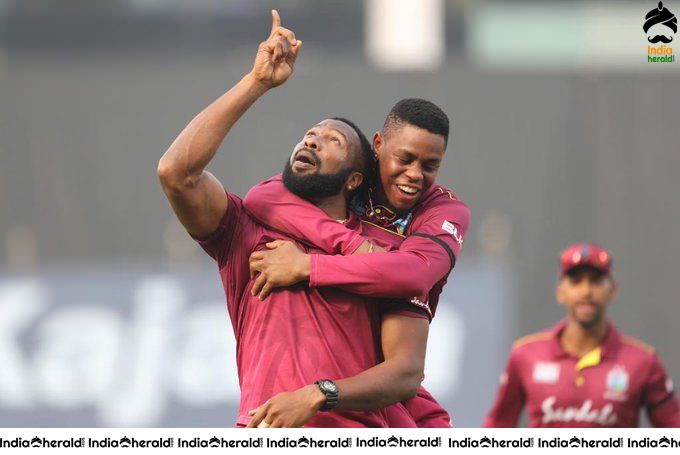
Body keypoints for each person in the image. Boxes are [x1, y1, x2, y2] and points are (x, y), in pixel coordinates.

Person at [158, 10, 434, 428]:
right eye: (311, 134)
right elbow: (176, 174)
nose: (313, 140)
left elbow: (404, 375)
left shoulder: (383, 253)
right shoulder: (245, 230)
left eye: (333, 140)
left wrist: (320, 395)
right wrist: (257, 83)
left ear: (355, 178)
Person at [241, 99, 470, 427]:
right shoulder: (349, 178)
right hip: (352, 379)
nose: (414, 175)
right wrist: (357, 247)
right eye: (404, 159)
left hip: (392, 385)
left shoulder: (444, 212)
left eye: (429, 165)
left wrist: (309, 266)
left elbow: (413, 276)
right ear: (378, 145)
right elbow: (263, 197)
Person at [484, 243, 680, 427]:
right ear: (560, 292)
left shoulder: (643, 362)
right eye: (576, 281)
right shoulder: (525, 355)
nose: (586, 291)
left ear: (612, 290)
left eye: (595, 281)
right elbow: (496, 429)